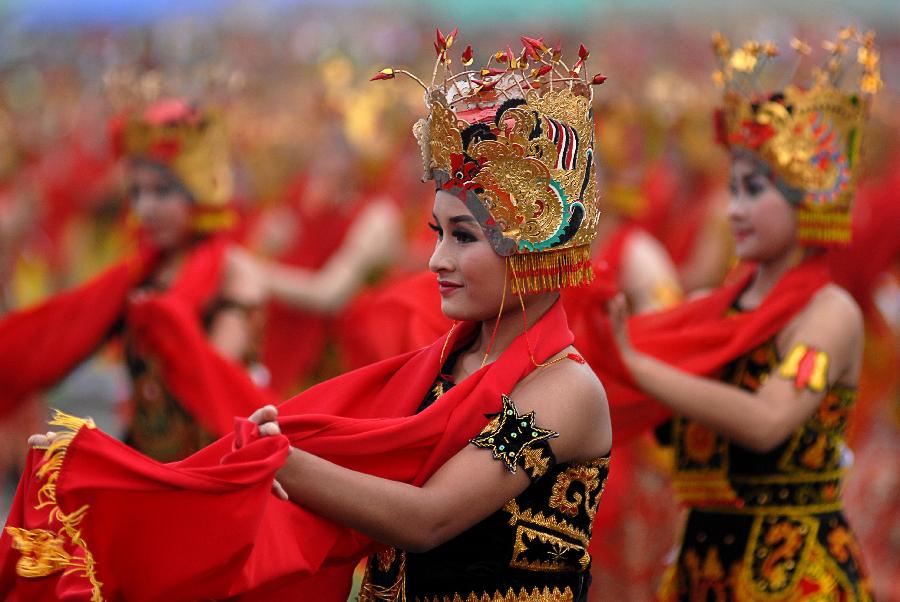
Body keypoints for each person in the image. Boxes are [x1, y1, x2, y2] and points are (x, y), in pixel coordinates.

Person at [2, 32, 611, 602]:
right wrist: (118, 480)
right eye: (436, 233)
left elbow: (428, 519)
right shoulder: (440, 366)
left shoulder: (565, 388)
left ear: (532, 243)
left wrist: (282, 457)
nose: (436, 259)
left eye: (463, 237)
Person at [606, 30, 879, 600]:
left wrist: (631, 361)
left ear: (809, 197)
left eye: (754, 190)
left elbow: (766, 421)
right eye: (732, 189)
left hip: (793, 574)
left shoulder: (830, 314)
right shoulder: (719, 308)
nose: (733, 209)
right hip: (702, 565)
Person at [0, 98, 269, 461]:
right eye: (137, 192)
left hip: (213, 466)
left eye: (162, 191)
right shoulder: (137, 274)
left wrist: (166, 322)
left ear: (199, 192)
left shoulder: (234, 273)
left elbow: (211, 388)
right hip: (142, 457)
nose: (145, 209)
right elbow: (57, 338)